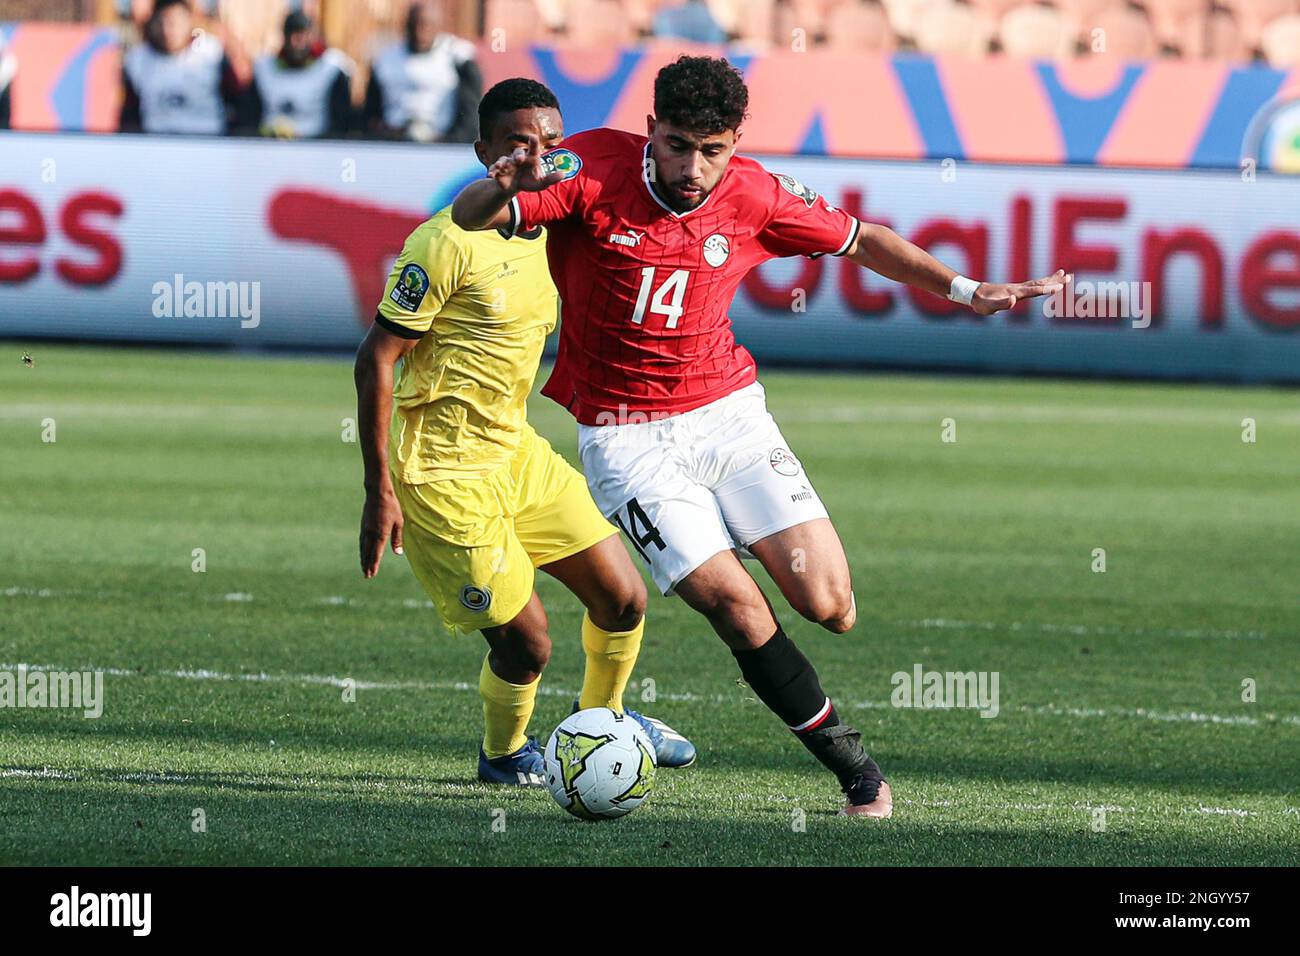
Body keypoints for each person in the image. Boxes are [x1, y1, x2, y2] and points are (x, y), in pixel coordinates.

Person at [452, 55, 1070, 817]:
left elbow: (864, 240)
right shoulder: (589, 166)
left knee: (831, 604)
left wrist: (969, 291)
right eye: (677, 145)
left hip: (729, 419)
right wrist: (507, 183)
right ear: (651, 131)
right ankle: (859, 775)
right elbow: (469, 215)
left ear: (736, 142)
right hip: (627, 440)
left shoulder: (753, 192)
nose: (693, 167)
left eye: (712, 150)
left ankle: (719, 532)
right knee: (736, 607)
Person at [354, 78, 697, 787]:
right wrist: (377, 487)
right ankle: (505, 756)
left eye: (551, 143)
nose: (539, 158)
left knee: (625, 597)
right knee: (527, 645)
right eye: (518, 144)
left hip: (516, 454)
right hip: (444, 474)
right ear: (484, 151)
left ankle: (603, 725)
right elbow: (376, 358)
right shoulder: (445, 241)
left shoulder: (560, 230)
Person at [363, 0, 481, 143]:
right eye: (414, 25)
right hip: (393, 142)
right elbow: (371, 112)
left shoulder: (458, 57)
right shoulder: (385, 60)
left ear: (438, 26)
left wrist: (453, 140)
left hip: (441, 143)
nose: (419, 32)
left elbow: (470, 113)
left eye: (426, 25)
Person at [120, 0, 241, 135]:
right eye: (161, 22)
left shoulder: (211, 54)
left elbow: (237, 101)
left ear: (190, 22)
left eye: (175, 23)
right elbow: (128, 113)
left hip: (208, 141)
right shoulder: (138, 60)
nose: (168, 31)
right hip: (156, 143)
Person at [239, 10, 354, 139]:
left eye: (301, 36)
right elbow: (248, 116)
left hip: (317, 146)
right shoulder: (264, 68)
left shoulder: (331, 68)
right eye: (292, 36)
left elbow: (342, 120)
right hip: (270, 147)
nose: (296, 44)